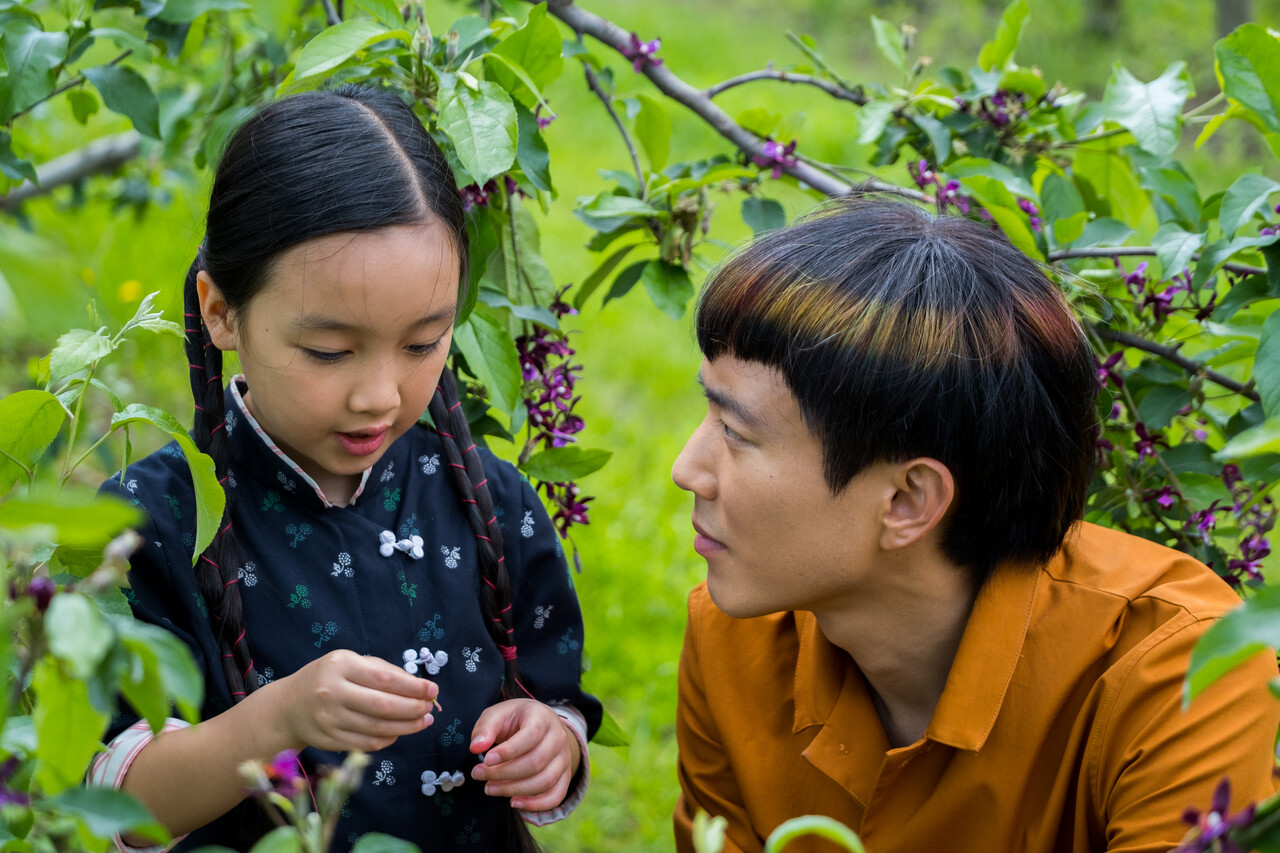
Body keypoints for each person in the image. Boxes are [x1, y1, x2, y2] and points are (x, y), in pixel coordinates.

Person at [670, 197, 1280, 853]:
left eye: (735, 433)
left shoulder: (1179, 675)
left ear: (908, 499)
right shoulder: (735, 640)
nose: (686, 469)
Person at [92, 85, 600, 853]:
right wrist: (277, 719)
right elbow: (120, 804)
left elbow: (555, 691)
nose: (380, 395)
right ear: (222, 311)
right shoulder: (154, 522)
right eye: (330, 351)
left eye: (424, 342)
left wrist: (551, 741)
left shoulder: (490, 501)